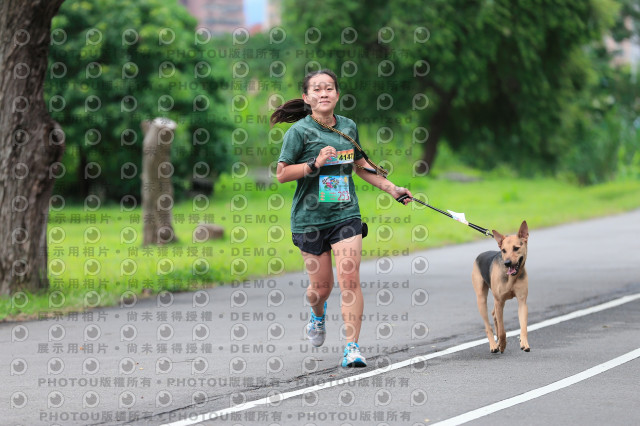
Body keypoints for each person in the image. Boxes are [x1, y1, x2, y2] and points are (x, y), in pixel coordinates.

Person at [271, 69, 412, 368]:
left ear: (337, 94)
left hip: (345, 213)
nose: (324, 93)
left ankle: (352, 347)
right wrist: (314, 163)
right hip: (310, 219)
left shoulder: (348, 126)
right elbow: (282, 174)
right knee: (320, 289)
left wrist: (392, 188)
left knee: (350, 278)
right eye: (317, 89)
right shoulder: (298, 133)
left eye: (329, 88)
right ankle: (317, 313)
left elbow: (361, 166)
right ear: (308, 97)